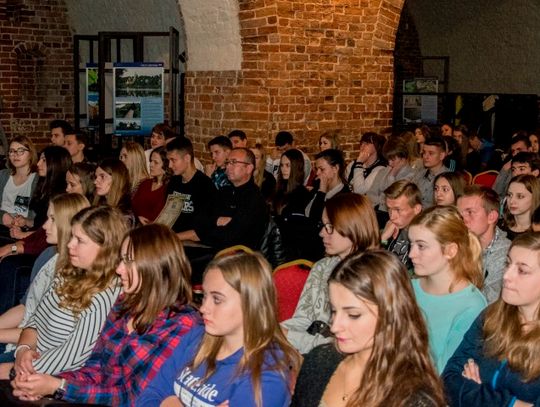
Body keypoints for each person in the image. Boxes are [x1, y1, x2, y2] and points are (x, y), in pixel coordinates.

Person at [11, 224, 201, 406]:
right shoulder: (124, 303)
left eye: (128, 260)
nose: (119, 269)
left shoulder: (182, 324)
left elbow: (135, 396)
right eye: (121, 259)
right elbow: (95, 369)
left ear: (155, 266)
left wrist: (59, 387)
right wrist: (45, 384)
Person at [137, 251, 302, 406]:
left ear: (251, 304)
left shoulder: (266, 377)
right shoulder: (197, 337)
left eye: (217, 299)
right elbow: (147, 397)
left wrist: (170, 401)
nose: (203, 308)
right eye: (205, 296)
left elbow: (158, 397)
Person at [292, 250, 446, 407]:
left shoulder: (414, 398)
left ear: (390, 316)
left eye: (353, 315)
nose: (335, 326)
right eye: (333, 311)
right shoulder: (319, 361)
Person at [0, 206, 127, 378]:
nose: (69, 244)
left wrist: (16, 369)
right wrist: (23, 349)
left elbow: (71, 359)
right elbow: (35, 321)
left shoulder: (106, 296)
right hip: (25, 355)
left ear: (105, 248)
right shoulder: (68, 271)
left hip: (48, 376)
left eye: (79, 240)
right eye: (72, 236)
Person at [443, 232, 540, 406]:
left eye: (522, 271)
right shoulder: (492, 316)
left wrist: (472, 393)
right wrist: (511, 403)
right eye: (507, 264)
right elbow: (449, 380)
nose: (506, 276)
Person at [282, 193, 380, 354]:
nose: (322, 233)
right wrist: (275, 331)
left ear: (352, 227)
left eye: (330, 227)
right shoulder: (322, 267)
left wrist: (288, 336)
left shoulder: (372, 276)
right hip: (309, 349)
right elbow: (303, 318)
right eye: (323, 225)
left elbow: (344, 347)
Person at [0, 193, 90, 365]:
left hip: (37, 353)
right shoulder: (48, 255)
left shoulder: (77, 273)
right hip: (19, 337)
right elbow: (25, 307)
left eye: (52, 219)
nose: (45, 225)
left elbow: (44, 333)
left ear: (68, 224)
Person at [408, 205, 487, 372]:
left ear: (450, 251)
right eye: (411, 244)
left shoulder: (472, 305)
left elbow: (446, 371)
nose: (411, 254)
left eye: (421, 246)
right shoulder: (408, 287)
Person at [457, 185, 511, 304]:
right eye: (460, 215)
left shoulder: (507, 254)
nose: (463, 220)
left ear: (491, 217)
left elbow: (490, 302)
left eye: (470, 212)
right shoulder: (455, 243)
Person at [273, 148, 321, 261]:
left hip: (294, 251)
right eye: (282, 165)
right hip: (277, 245)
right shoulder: (278, 191)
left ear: (296, 167)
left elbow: (301, 230)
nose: (284, 169)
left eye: (288, 165)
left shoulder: (302, 194)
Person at [0, 136, 38, 237]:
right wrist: (2, 215)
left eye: (21, 151)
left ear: (31, 154)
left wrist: (26, 221)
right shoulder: (2, 175)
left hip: (24, 231)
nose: (15, 155)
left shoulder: (38, 180)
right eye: (12, 151)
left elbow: (41, 219)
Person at [381, 180, 423, 271]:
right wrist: (383, 238)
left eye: (398, 210)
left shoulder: (426, 240)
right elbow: (373, 264)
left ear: (416, 209)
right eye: (389, 209)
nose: (392, 217)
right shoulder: (391, 228)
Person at [305, 149, 350, 222]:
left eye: (322, 169)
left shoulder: (344, 197)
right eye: (317, 169)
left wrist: (322, 192)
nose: (317, 173)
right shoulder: (317, 187)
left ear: (335, 168)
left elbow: (315, 219)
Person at [345, 132, 387, 205]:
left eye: (367, 143)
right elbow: (345, 185)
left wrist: (359, 164)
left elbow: (360, 191)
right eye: (362, 143)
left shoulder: (380, 168)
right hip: (349, 204)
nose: (362, 146)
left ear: (376, 146)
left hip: (366, 207)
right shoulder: (352, 164)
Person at [132, 146, 170, 224]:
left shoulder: (169, 188)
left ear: (166, 165)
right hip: (137, 225)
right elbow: (132, 206)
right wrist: (137, 218)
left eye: (156, 162)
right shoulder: (145, 183)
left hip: (155, 229)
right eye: (151, 161)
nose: (151, 165)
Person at [411, 135, 449, 208]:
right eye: (424, 152)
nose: (425, 156)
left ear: (441, 156)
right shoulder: (419, 174)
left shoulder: (449, 178)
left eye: (431, 153)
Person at [500, 174, 540, 240]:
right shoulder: (499, 226)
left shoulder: (537, 232)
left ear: (535, 197)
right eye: (509, 195)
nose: (511, 201)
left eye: (520, 196)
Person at [493, 133, 532, 197]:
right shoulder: (509, 168)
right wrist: (504, 170)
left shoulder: (535, 169)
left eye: (519, 150)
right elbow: (495, 193)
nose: (515, 154)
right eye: (513, 151)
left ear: (529, 150)